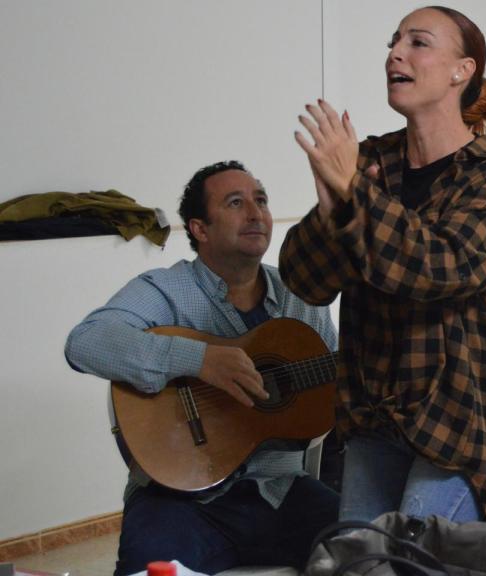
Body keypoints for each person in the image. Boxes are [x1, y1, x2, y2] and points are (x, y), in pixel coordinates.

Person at [278, 5, 486, 524]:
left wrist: (354, 199)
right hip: (371, 418)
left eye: (418, 42)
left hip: (454, 421)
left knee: (417, 558)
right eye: (394, 41)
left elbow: (445, 266)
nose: (395, 52)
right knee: (360, 561)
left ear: (463, 70)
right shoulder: (372, 161)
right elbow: (306, 281)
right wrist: (333, 211)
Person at [65, 161, 340, 575]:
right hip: (178, 499)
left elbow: (334, 379)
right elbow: (85, 342)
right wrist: (198, 360)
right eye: (235, 202)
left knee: (375, 550)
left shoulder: (301, 296)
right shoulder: (167, 290)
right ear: (199, 229)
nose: (256, 213)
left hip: (281, 492)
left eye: (260, 200)